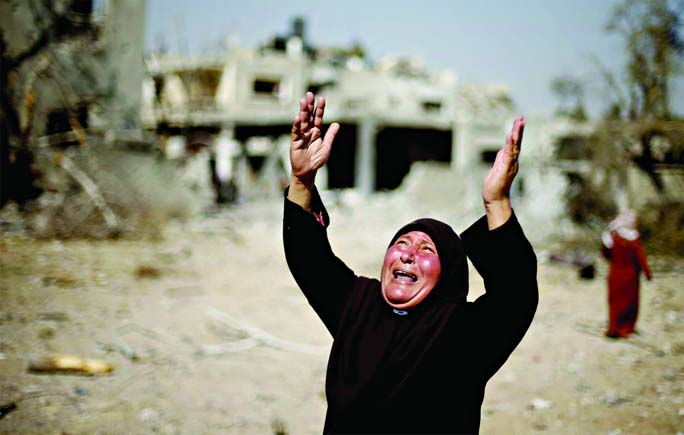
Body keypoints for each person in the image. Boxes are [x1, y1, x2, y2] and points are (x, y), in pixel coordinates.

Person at [283, 92, 538, 434]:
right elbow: (308, 258)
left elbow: (516, 294)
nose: (408, 253)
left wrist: (497, 201)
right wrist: (301, 181)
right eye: (401, 243)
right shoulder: (359, 307)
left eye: (426, 250)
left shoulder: (462, 335)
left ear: (447, 274)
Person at [601, 211, 652, 338]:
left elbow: (605, 254)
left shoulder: (612, 237)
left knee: (614, 302)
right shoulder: (633, 239)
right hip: (630, 275)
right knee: (630, 303)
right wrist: (647, 273)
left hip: (614, 274)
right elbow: (641, 258)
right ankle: (626, 328)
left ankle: (613, 328)